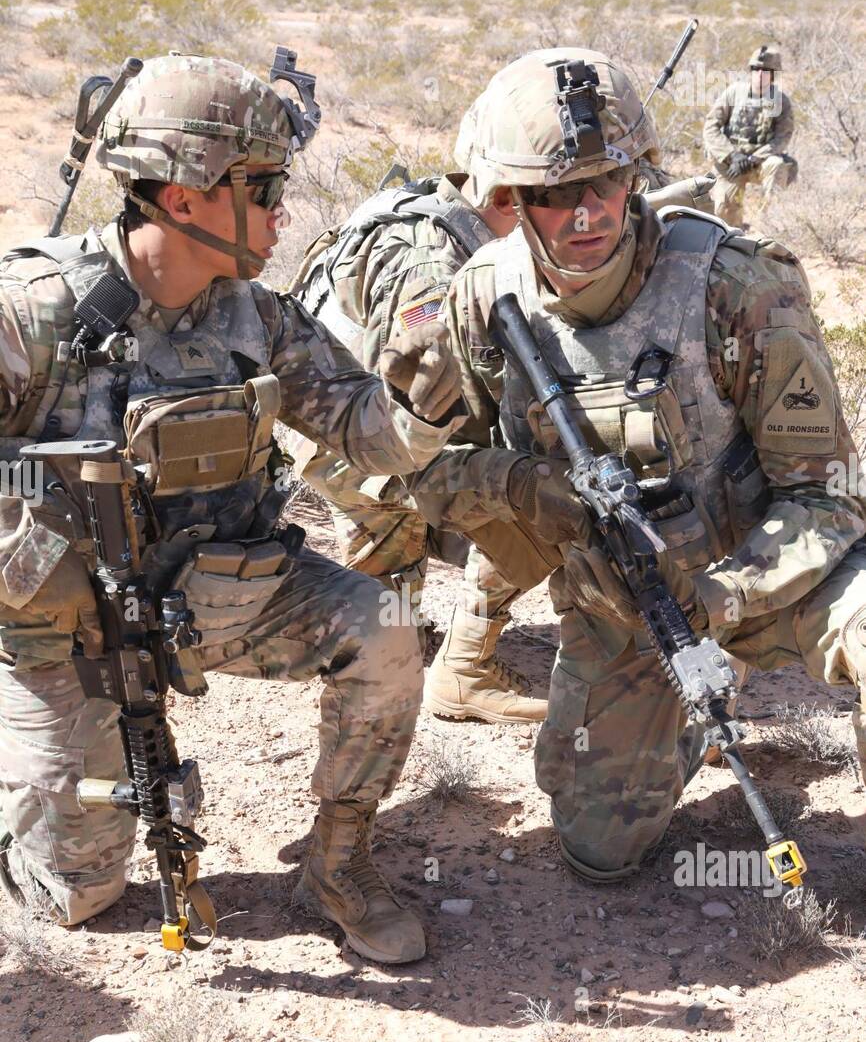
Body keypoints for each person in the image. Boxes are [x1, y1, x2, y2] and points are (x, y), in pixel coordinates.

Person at [0, 51, 470, 964]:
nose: (281, 211)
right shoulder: (34, 315)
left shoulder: (257, 317)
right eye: (262, 187)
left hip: (223, 597)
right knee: (79, 896)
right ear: (182, 196)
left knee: (388, 629)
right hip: (72, 630)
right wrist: (32, 552)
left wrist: (430, 385)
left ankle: (338, 862)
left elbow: (370, 433)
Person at [405, 47, 866, 881]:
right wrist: (525, 488)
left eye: (605, 184)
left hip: (774, 573)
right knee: (598, 852)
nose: (585, 214)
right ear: (512, 200)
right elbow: (424, 470)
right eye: (552, 196)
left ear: (638, 177)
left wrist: (725, 593)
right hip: (625, 603)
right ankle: (673, 725)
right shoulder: (477, 300)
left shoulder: (736, 285)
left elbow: (830, 497)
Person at [286, 103, 549, 724]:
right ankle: (465, 672)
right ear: (511, 195)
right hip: (365, 442)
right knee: (546, 491)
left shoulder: (430, 207)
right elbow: (432, 379)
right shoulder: (437, 266)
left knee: (389, 571)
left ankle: (366, 642)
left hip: (325, 433)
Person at [703, 44, 796, 226]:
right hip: (731, 162)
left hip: (759, 162)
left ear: (773, 74)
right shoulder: (733, 93)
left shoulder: (781, 101)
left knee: (777, 165)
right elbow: (710, 127)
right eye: (756, 69)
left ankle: (770, 225)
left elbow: (782, 138)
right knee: (725, 211)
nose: (760, 74)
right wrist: (732, 155)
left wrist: (753, 159)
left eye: (766, 70)